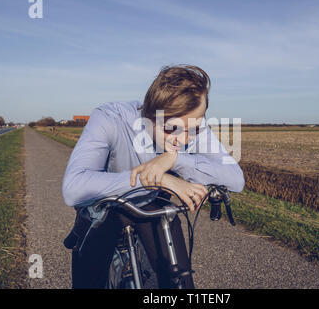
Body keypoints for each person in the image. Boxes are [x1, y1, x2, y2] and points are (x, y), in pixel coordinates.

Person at [62, 64, 245, 288]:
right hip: (103, 209)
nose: (184, 139)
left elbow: (236, 179)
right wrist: (155, 178)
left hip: (151, 209)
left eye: (194, 129)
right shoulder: (111, 118)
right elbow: (74, 188)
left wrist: (176, 160)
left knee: (179, 280)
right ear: (148, 115)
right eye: (170, 129)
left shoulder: (191, 125)